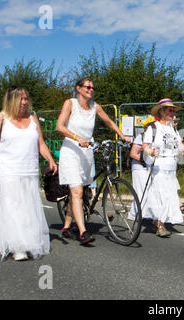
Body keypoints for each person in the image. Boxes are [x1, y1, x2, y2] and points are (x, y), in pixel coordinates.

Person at [0, 86, 57, 261]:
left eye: (26, 98)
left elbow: (40, 143)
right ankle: (17, 246)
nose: (24, 102)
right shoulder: (1, 120)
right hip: (8, 169)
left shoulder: (33, 119)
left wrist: (50, 159)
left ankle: (29, 241)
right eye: (20, 99)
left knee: (27, 207)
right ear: (11, 100)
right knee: (12, 206)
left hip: (29, 169)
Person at [56, 77, 132, 245]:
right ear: (78, 88)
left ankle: (67, 227)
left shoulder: (94, 107)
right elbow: (60, 126)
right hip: (71, 152)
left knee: (77, 192)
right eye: (87, 87)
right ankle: (83, 232)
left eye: (92, 87)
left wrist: (121, 135)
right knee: (77, 192)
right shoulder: (70, 104)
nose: (90, 89)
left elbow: (109, 121)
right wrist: (77, 138)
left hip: (87, 153)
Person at [142, 98, 184, 237]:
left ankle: (157, 221)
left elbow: (178, 147)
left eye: (173, 110)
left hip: (171, 168)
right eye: (170, 110)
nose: (172, 112)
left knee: (168, 197)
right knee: (162, 196)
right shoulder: (153, 127)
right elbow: (145, 146)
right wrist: (151, 152)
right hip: (159, 167)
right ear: (162, 112)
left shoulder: (173, 129)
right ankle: (160, 225)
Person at [128, 117, 155, 219]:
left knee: (148, 190)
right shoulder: (141, 136)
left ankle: (135, 213)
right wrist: (145, 161)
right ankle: (138, 214)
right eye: (152, 125)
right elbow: (133, 154)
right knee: (140, 191)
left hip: (148, 167)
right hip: (139, 167)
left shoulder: (155, 137)